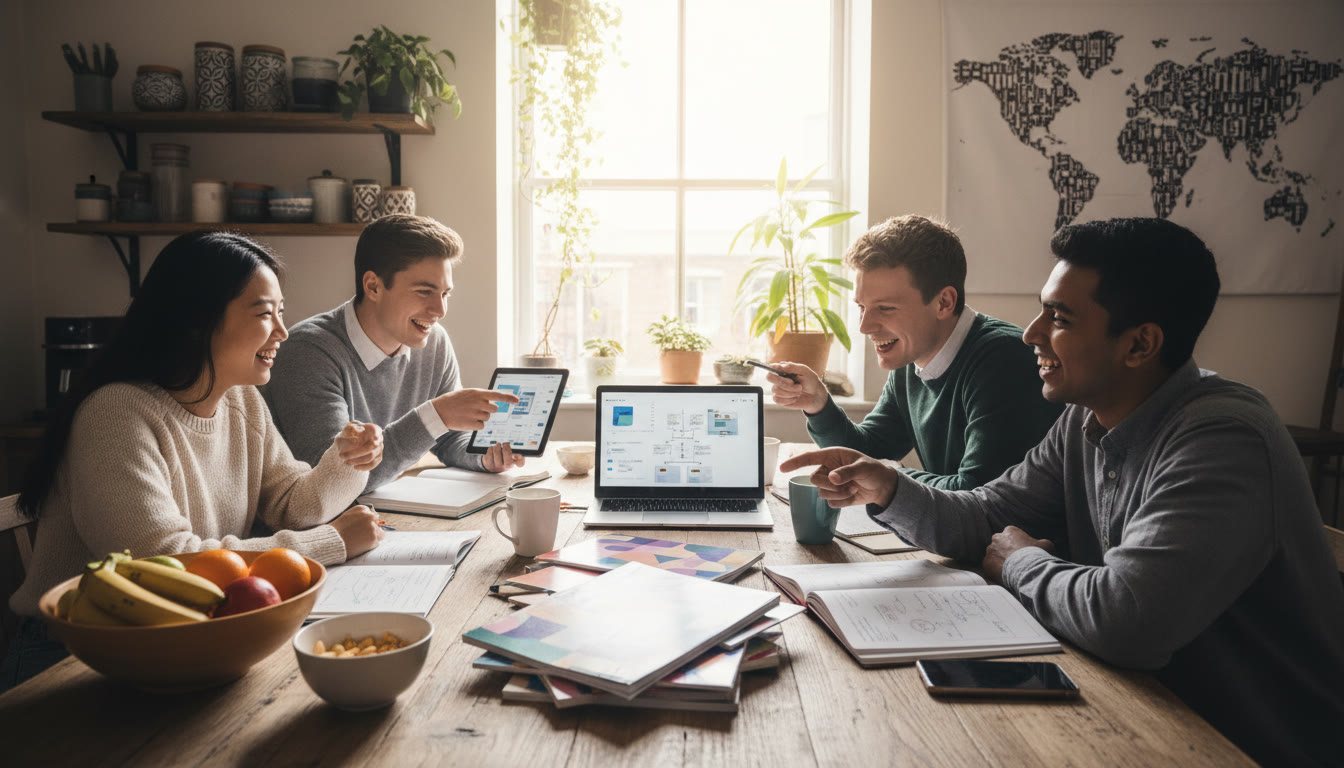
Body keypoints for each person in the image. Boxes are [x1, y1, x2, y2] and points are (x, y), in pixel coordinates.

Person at [781, 217, 1344, 766]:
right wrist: (889, 487)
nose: (1031, 333)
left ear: (1140, 344)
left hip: (1244, 740)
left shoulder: (1223, 438)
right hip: (1145, 705)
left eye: (1060, 318)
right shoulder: (1085, 418)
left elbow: (1129, 620)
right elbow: (985, 512)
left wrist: (1021, 562)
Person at [3, 231, 386, 691]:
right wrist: (328, 544)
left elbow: (294, 502)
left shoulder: (241, 400)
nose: (283, 332)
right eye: (265, 313)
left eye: (281, 312)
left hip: (188, 639)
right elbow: (165, 560)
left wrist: (348, 461)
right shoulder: (117, 414)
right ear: (196, 321)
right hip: (72, 662)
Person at [767, 215, 1061, 490]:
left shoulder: (1003, 361)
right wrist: (818, 404)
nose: (865, 327)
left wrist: (887, 475)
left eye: (885, 308)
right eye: (861, 307)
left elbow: (977, 492)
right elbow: (868, 451)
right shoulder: (912, 358)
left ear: (944, 302)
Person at [263, 214, 523, 494]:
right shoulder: (309, 352)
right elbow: (334, 484)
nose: (440, 310)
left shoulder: (434, 343)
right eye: (425, 291)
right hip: (306, 531)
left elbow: (447, 439)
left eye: (445, 294)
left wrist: (483, 457)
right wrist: (434, 415)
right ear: (373, 286)